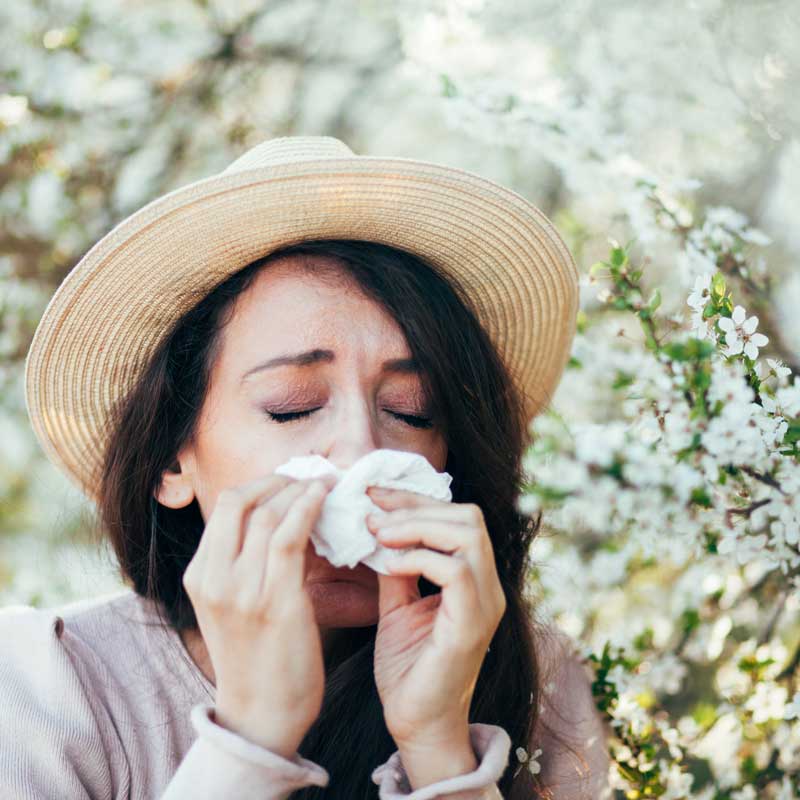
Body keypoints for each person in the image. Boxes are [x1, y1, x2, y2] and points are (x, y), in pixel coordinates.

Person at [2, 137, 611, 798]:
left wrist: (439, 746)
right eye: (290, 408)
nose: (361, 451)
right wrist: (250, 737)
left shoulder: (545, 688)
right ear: (169, 463)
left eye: (410, 411)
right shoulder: (43, 690)